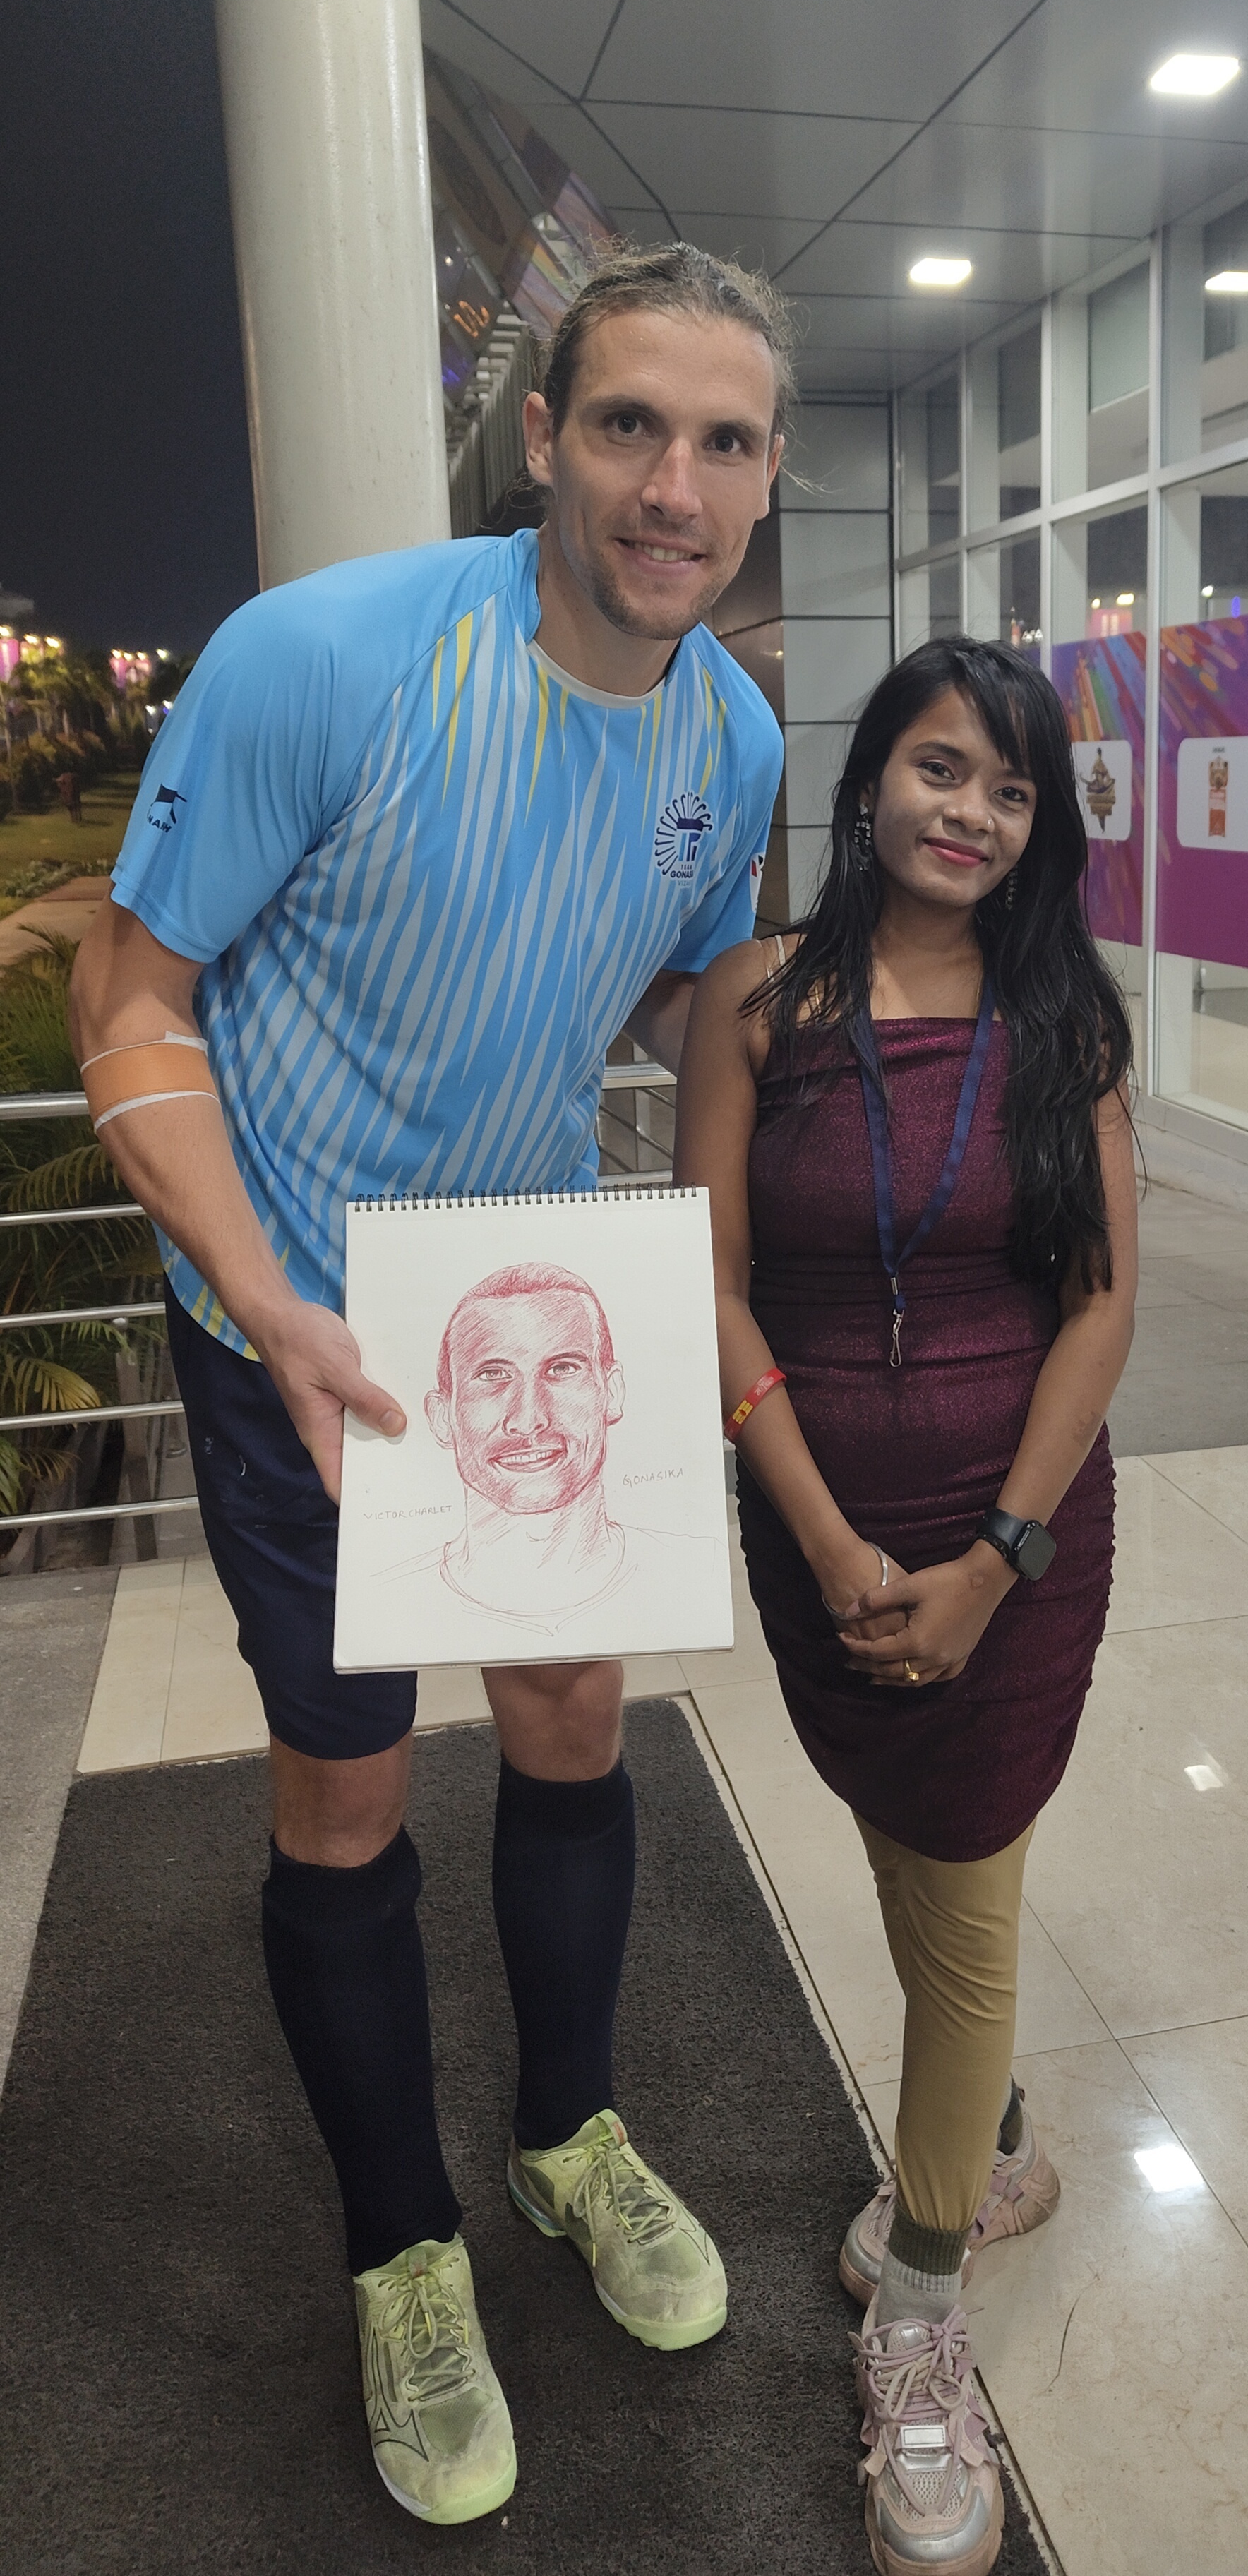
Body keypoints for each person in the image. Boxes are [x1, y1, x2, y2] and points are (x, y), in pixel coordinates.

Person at [68, 243, 790, 2524]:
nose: (673, 487)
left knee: (573, 1721)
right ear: (545, 436)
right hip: (294, 1330)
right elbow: (128, 1006)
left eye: (726, 442)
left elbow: (690, 1005)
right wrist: (262, 1292)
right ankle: (402, 2247)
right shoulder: (326, 658)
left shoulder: (737, 739)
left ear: (768, 477)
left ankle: (568, 2132)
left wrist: (810, 1131)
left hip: (522, 1308)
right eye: (630, 425)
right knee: (348, 1795)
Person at [676, 638, 1136, 2576]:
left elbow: (1101, 1304)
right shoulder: (756, 999)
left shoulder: (1062, 1016)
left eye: (1013, 790)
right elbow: (709, 1282)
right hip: (823, 1541)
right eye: (943, 768)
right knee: (902, 1842)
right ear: (871, 778)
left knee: (961, 1902)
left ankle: (925, 2317)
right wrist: (825, 1538)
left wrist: (994, 1560)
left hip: (1013, 1546)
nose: (973, 813)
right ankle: (999, 2135)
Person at [388, 1262, 719, 1632]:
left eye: (562, 1369)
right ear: (441, 1417)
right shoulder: (390, 1604)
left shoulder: (698, 1570)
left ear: (611, 1392)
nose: (528, 1419)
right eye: (493, 1375)